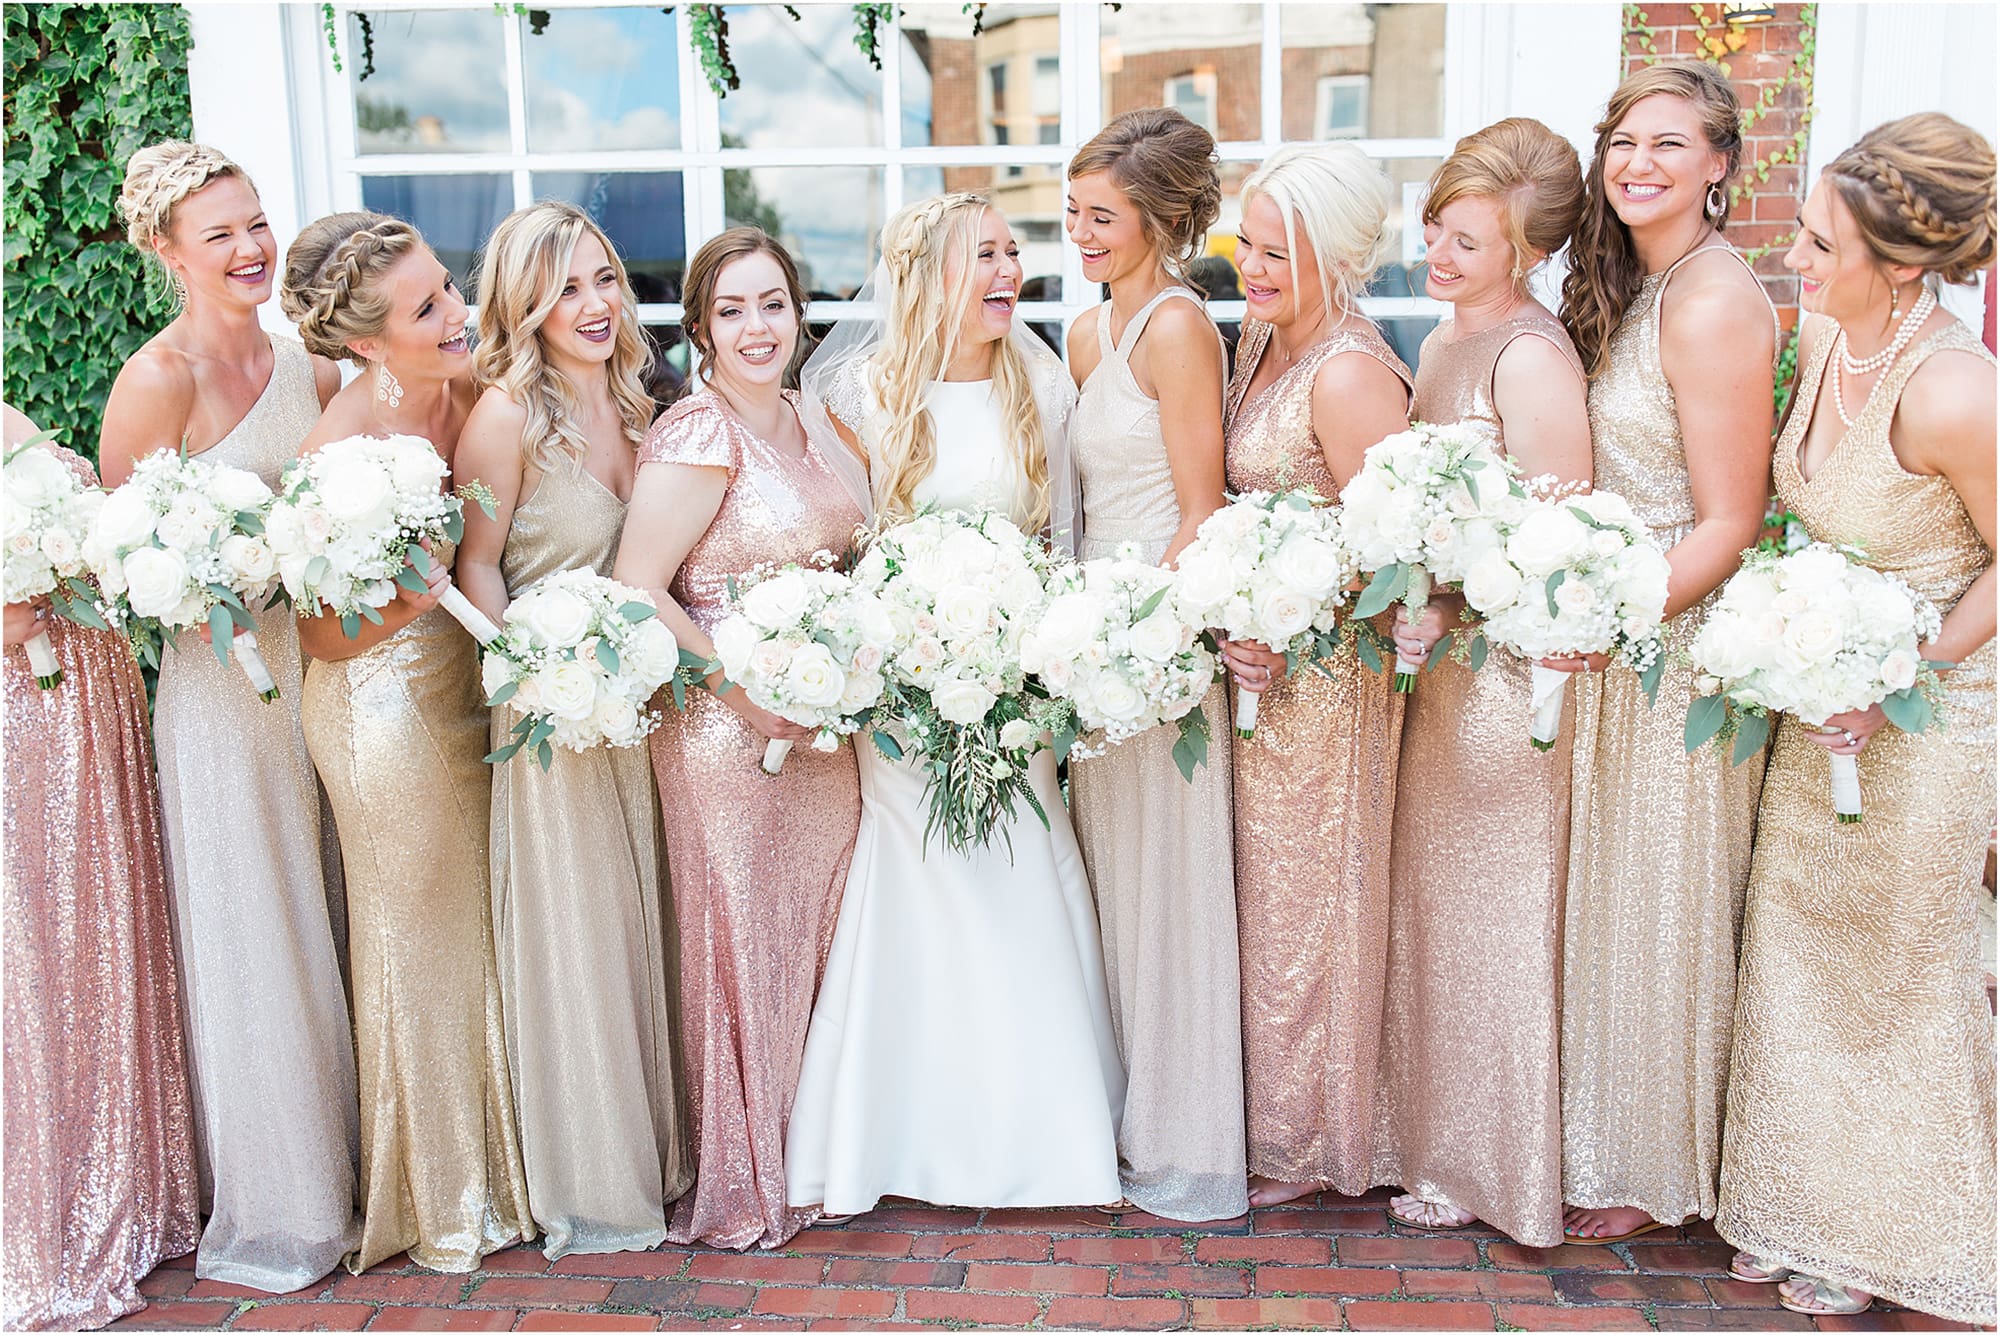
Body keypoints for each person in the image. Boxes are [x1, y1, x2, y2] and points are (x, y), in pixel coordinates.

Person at [785, 193, 1125, 1215]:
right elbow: (842, 552)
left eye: (1011, 251)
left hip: (1012, 684)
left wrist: (1038, 656)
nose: (1005, 269)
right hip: (902, 691)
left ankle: (1041, 1131)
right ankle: (897, 1130)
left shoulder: (1039, 379)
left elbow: (1059, 539)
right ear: (930, 271)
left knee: (1019, 871)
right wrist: (896, 652)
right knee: (916, 876)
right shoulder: (859, 389)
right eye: (982, 253)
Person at [1716, 113, 1996, 1324]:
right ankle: (1794, 1202)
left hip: (1928, 712)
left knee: (1889, 967)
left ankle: (1887, 1231)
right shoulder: (1826, 335)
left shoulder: (1952, 390)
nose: (1796, 257)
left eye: (1820, 241)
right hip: (1821, 695)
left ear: (1899, 263)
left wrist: (1901, 679)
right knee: (1794, 945)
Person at [97, 141, 360, 1291]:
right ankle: (283, 1199)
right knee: (257, 927)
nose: (253, 247)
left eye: (257, 222)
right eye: (222, 234)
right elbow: (118, 566)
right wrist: (208, 578)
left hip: (322, 672)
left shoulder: (309, 361)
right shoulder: (156, 379)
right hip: (216, 691)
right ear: (168, 252)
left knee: (335, 905)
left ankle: (362, 1166)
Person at [1553, 60, 1777, 1245]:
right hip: (1606, 633)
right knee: (1604, 906)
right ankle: (1597, 1134)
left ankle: (1649, 1164)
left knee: (1657, 904)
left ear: (1720, 165)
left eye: (1669, 144)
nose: (1636, 164)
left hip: (1670, 648)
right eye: (1621, 142)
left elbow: (1728, 522)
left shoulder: (1709, 300)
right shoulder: (1633, 289)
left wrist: (1616, 622)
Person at [280, 212, 530, 1272]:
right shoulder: (334, 454)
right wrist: (419, 594)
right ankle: (444, 1195)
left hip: (469, 690)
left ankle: (515, 1173)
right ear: (366, 343)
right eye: (426, 308)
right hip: (377, 708)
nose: (457, 313)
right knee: (416, 939)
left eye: (449, 288)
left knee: (487, 925)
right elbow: (322, 635)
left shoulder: (466, 395)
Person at [1369, 119, 1592, 1244]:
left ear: (1524, 252)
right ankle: (1434, 1139)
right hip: (1446, 674)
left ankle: (1496, 1167)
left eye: (1465, 240)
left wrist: (1453, 603)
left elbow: (1562, 559)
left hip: (1509, 692)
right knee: (1437, 921)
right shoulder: (1451, 338)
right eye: (1434, 228)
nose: (1436, 253)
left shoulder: (1527, 357)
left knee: (1490, 928)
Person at [456, 201, 691, 1258]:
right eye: (566, 289)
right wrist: (536, 675)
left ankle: (662, 1149)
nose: (595, 305)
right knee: (580, 935)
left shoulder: (647, 403)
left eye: (604, 279)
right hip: (553, 713)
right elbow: (475, 567)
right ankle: (594, 1174)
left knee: (650, 923)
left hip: (647, 711)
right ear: (525, 304)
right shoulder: (503, 416)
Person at [612, 227, 855, 1250]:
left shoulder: (818, 417)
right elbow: (634, 588)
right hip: (726, 733)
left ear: (797, 312)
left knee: (822, 939)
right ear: (701, 329)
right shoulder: (696, 434)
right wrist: (739, 687)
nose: (756, 328)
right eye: (731, 310)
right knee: (743, 943)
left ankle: (825, 1152)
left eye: (772, 305)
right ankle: (750, 1172)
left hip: (825, 732)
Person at [1062, 107, 1247, 1223]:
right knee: (1102, 893)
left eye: (1099, 217)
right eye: (1071, 214)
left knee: (1163, 894)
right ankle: (1113, 1115)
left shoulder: (1180, 328)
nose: (1077, 234)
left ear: (1161, 219)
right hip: (1085, 650)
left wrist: (1130, 641)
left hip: (1155, 652)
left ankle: (1179, 1141)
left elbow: (1199, 513)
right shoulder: (1090, 333)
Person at [1220, 144, 1413, 1210]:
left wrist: (1286, 617)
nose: (1251, 265)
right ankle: (1272, 1119)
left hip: (1329, 684)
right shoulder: (1262, 341)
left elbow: (1392, 557)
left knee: (1309, 910)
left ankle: (1309, 1140)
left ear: (1334, 255)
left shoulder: (1345, 372)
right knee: (1268, 907)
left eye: (1275, 249)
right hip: (1264, 679)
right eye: (1244, 243)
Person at [1, 404, 201, 1329]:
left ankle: (125, 1175)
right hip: (24, 723)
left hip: (92, 698)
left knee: (95, 936)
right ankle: (47, 1197)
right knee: (35, 944)